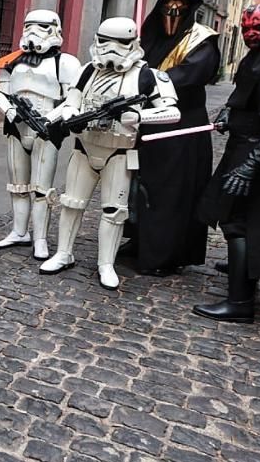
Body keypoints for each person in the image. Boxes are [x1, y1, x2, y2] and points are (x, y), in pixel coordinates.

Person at [41, 18, 180, 288]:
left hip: (119, 151)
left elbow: (172, 112)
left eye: (120, 43)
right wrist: (70, 115)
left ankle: (106, 264)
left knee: (114, 211)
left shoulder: (146, 75)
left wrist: (137, 115)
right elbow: (72, 100)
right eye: (105, 42)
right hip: (84, 147)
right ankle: (63, 253)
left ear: (132, 44)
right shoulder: (87, 71)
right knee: (71, 203)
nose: (111, 49)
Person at [192, 2, 260, 322]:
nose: (252, 35)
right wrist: (229, 111)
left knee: (237, 221)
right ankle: (244, 269)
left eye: (259, 29)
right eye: (247, 29)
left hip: (257, 150)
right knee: (239, 218)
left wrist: (250, 165)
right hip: (244, 143)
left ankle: (240, 302)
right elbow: (247, 93)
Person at [129, 0, 221, 275]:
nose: (172, 13)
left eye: (180, 9)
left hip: (182, 125)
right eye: (168, 7)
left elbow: (186, 76)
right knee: (141, 186)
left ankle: (162, 255)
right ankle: (140, 241)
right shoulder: (151, 35)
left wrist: (143, 81)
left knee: (171, 191)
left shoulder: (202, 41)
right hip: (147, 122)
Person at [0, 10, 82, 259]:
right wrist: (9, 109)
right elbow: (1, 92)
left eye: (40, 26)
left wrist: (50, 118)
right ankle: (19, 231)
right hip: (17, 129)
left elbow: (73, 99)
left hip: (46, 130)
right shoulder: (13, 60)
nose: (33, 32)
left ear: (54, 29)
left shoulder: (65, 63)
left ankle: (40, 238)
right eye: (28, 26)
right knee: (18, 185)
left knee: (42, 189)